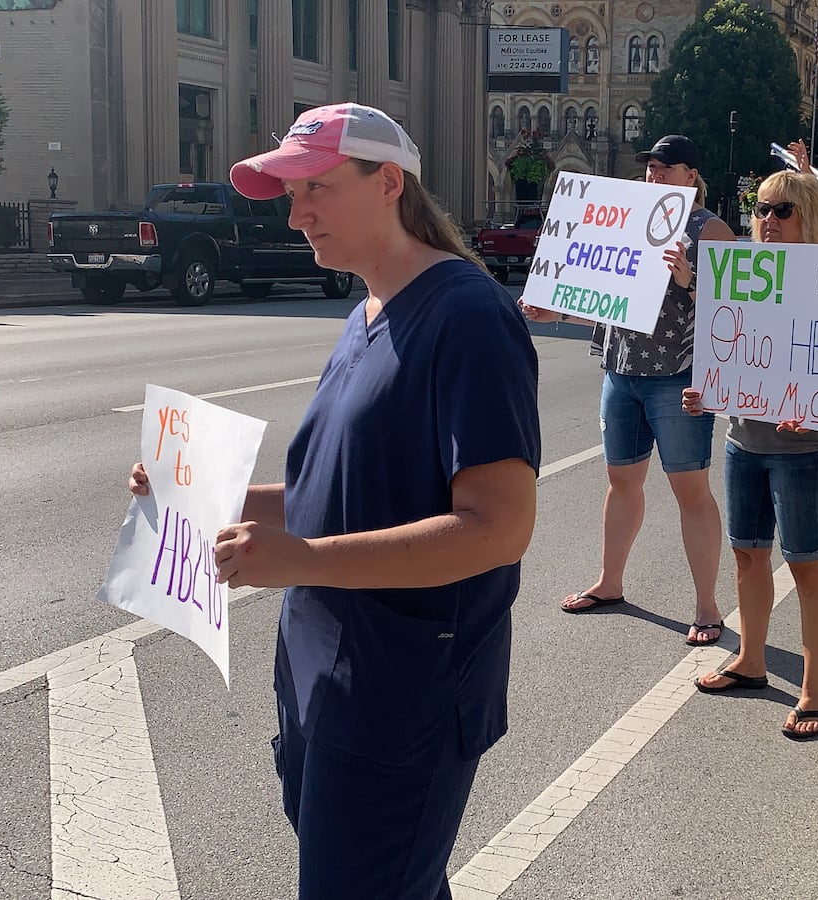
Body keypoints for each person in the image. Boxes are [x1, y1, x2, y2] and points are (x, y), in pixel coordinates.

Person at [129, 103, 541, 900]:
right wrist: (199, 492)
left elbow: (500, 526)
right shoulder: (366, 311)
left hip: (403, 691)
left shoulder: (467, 316)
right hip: (325, 673)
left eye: (316, 187)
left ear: (389, 182)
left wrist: (307, 560)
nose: (298, 212)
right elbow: (339, 491)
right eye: (290, 193)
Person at [523, 134, 732, 646]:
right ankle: (610, 582)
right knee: (621, 480)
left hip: (677, 377)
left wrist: (687, 278)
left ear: (692, 176)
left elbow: (734, 313)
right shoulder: (630, 217)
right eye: (650, 167)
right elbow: (605, 292)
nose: (654, 175)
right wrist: (558, 309)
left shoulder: (712, 229)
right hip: (621, 371)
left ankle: (707, 606)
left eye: (665, 167)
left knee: (690, 489)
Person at [680, 169, 818, 740]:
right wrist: (706, 391)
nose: (767, 221)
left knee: (806, 560)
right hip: (745, 436)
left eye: (782, 211)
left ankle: (815, 689)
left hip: (806, 444)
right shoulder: (740, 274)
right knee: (747, 553)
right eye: (761, 209)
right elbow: (727, 346)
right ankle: (752, 660)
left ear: (808, 216)